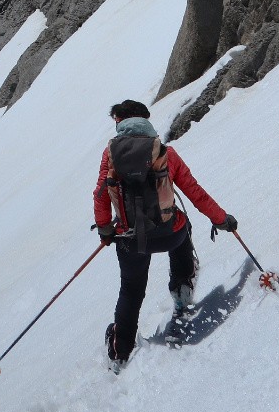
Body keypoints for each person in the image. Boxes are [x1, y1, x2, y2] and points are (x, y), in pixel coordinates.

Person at [93, 99, 235, 370]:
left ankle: (120, 350)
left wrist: (105, 230)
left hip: (130, 239)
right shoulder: (165, 152)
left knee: (131, 290)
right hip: (169, 233)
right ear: (145, 119)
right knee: (183, 227)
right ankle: (182, 288)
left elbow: (100, 195)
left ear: (118, 122)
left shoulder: (110, 155)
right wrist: (221, 219)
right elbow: (194, 191)